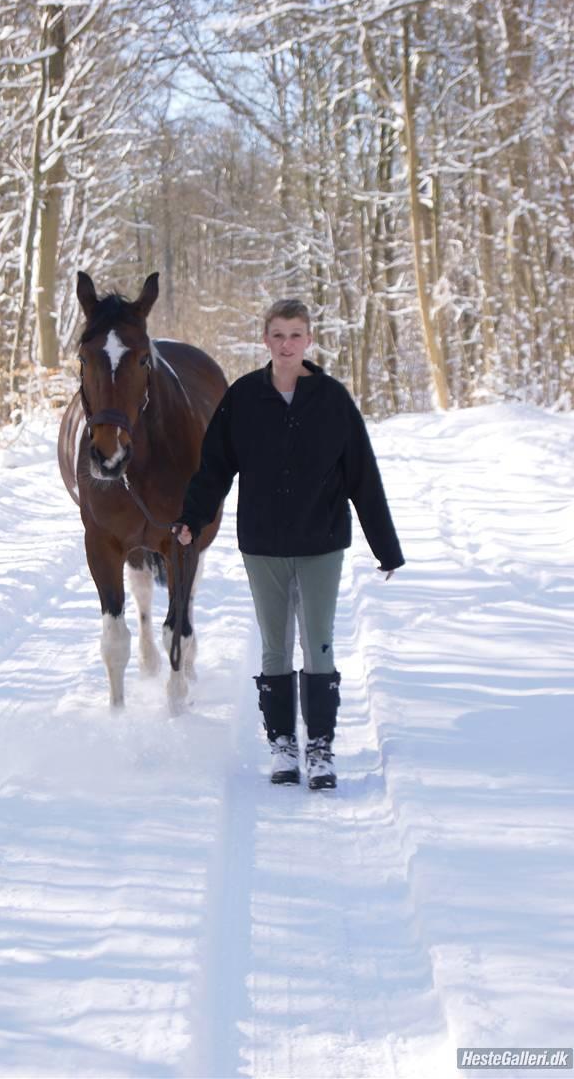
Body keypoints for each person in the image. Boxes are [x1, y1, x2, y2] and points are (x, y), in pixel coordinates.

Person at [173, 299, 404, 789]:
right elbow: (214, 467)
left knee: (318, 644)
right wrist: (192, 517)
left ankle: (319, 749)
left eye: (296, 335)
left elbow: (363, 476)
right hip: (263, 544)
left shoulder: (332, 400)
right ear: (265, 340)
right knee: (275, 647)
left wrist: (386, 547)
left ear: (309, 340)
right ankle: (282, 745)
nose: (286, 345)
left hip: (321, 543)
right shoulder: (241, 399)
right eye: (278, 335)